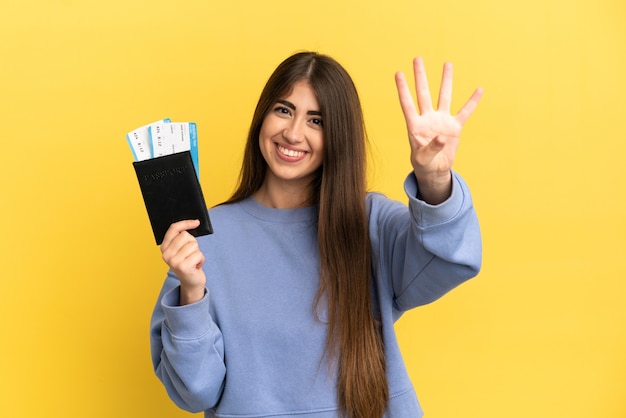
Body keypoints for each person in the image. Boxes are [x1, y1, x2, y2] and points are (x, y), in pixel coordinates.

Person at [150, 51, 483, 418]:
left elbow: (451, 260)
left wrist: (434, 179)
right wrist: (192, 293)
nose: (293, 133)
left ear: (338, 134)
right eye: (283, 110)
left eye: (316, 120)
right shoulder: (205, 237)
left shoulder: (370, 223)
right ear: (262, 115)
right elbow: (195, 392)